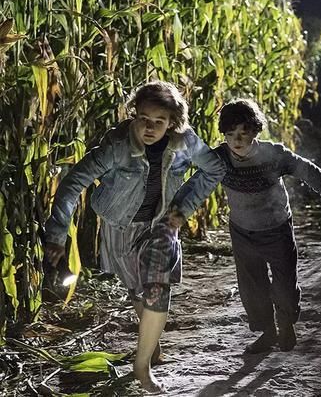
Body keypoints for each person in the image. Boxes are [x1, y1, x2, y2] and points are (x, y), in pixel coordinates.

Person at [44, 81, 225, 392]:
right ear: (134, 114)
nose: (150, 128)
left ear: (172, 122)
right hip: (120, 227)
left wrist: (182, 209)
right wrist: (57, 236)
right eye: (143, 118)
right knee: (138, 290)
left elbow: (214, 170)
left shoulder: (186, 143)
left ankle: (141, 367)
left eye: (159, 121)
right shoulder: (117, 146)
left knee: (156, 287)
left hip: (162, 225)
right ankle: (151, 347)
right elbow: (72, 184)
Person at [213, 98, 321, 353]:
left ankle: (286, 323)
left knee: (285, 285)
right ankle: (269, 333)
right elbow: (196, 184)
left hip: (276, 229)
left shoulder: (274, 155)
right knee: (252, 288)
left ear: (255, 131)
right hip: (242, 232)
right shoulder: (219, 159)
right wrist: (177, 211)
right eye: (230, 134)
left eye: (243, 133)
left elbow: (309, 172)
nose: (237, 140)